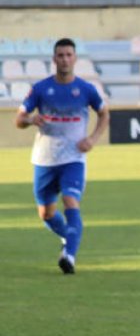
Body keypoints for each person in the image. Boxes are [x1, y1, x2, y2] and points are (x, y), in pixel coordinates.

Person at [14, 37, 108, 274]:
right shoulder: (40, 89)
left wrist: (93, 139)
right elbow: (18, 119)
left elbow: (104, 114)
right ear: (54, 59)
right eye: (61, 55)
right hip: (45, 159)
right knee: (46, 213)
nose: (65, 59)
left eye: (69, 55)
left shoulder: (86, 90)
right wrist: (30, 119)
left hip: (73, 158)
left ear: (75, 59)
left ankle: (69, 256)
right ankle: (68, 237)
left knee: (69, 200)